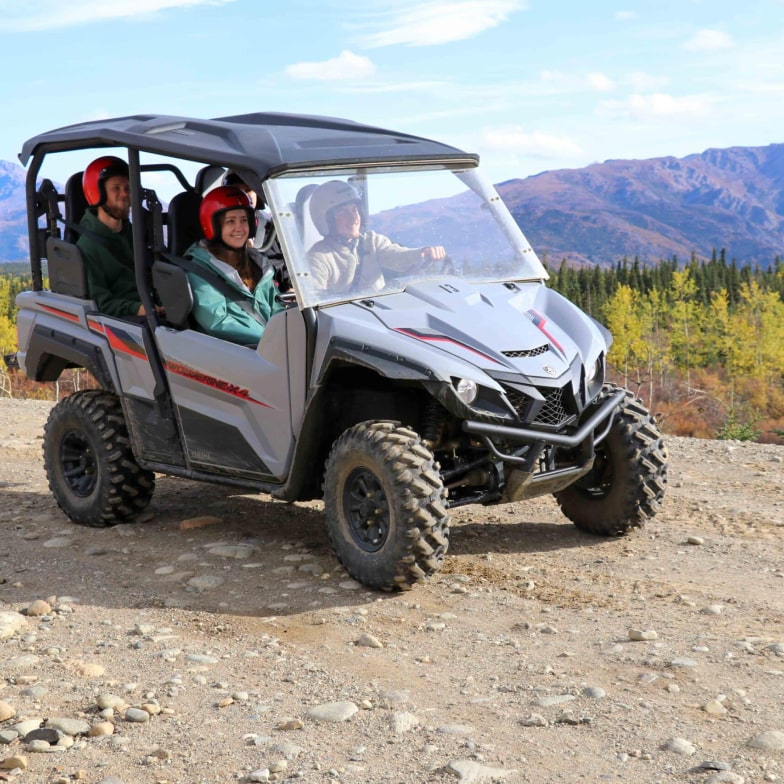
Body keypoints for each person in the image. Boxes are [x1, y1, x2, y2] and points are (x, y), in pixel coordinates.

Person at [183, 185, 283, 345]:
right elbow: (217, 321)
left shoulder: (259, 265)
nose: (239, 227)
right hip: (233, 353)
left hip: (270, 349)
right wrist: (269, 340)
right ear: (213, 225)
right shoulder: (200, 270)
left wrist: (288, 333)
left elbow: (278, 308)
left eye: (244, 220)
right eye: (230, 221)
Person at [306, 180, 447, 292]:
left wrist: (422, 253)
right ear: (327, 219)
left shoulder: (371, 241)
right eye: (344, 212)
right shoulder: (319, 258)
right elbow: (316, 299)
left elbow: (397, 256)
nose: (354, 217)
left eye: (354, 210)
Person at [77, 156, 151, 317]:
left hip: (149, 311)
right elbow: (99, 303)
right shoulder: (87, 247)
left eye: (127, 188)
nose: (124, 194)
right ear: (98, 194)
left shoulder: (135, 235)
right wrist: (138, 309)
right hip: (123, 322)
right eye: (116, 188)